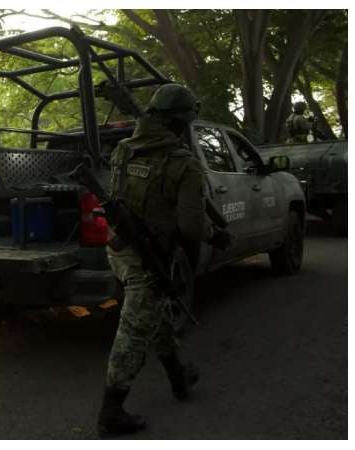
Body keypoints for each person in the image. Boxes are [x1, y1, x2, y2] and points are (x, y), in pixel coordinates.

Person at [97, 84, 232, 435]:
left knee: (153, 312)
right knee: (133, 331)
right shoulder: (182, 163)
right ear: (182, 122)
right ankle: (110, 413)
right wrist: (216, 234)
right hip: (148, 256)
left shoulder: (123, 150)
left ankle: (178, 378)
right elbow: (190, 224)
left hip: (118, 250)